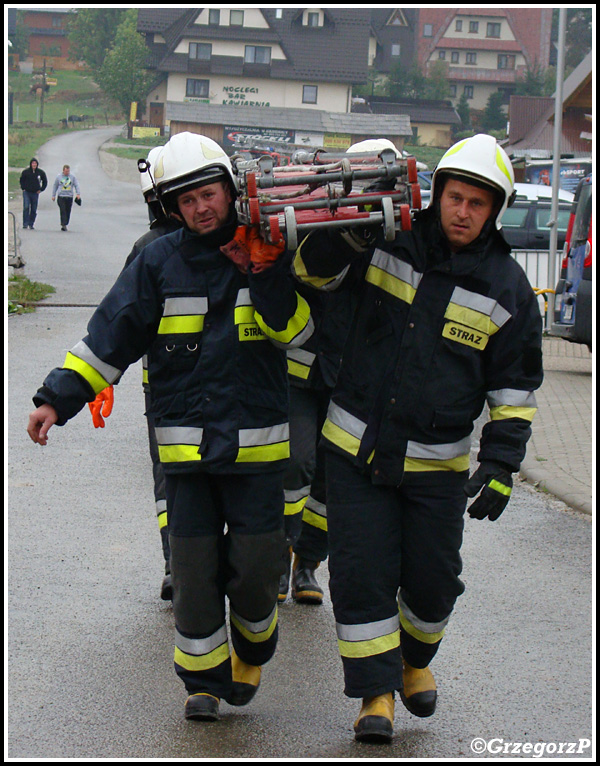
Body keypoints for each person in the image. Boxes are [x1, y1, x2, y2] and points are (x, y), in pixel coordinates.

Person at [27, 132, 314, 723]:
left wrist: (268, 275)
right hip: (186, 459)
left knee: (258, 572)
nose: (200, 208)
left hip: (257, 457)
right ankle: (203, 681)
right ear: (171, 208)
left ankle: (255, 644)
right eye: (186, 201)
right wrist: (57, 397)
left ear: (230, 191)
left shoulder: (268, 254)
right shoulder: (157, 262)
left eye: (208, 194)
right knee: (192, 575)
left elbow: (301, 337)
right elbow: (111, 334)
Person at [290, 134, 543, 743]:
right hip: (355, 453)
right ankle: (375, 696)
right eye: (455, 198)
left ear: (493, 211)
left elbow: (513, 389)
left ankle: (414, 662)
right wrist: (350, 231)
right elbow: (310, 273)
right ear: (437, 196)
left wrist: (503, 464)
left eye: (477, 204)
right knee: (362, 575)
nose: (463, 212)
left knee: (433, 583)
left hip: (437, 470)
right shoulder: (387, 241)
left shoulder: (507, 289)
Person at [279, 139, 395, 605]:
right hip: (302, 373)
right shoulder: (323, 220)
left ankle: (307, 563)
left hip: (355, 380)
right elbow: (312, 273)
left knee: (332, 478)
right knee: (296, 462)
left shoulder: (397, 238)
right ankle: (278, 556)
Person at [88, 146, 182, 601]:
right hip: (173, 385)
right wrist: (101, 377)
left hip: (167, 387)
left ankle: (177, 565)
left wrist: (105, 379)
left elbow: (120, 320)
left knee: (170, 476)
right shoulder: (153, 249)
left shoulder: (148, 248)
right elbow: (123, 322)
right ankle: (180, 565)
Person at [19, 158, 48, 229]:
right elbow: (21, 180)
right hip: (27, 192)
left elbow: (45, 182)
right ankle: (25, 223)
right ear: (31, 164)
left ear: (37, 164)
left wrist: (41, 189)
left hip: (35, 193)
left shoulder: (40, 172)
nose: (34, 165)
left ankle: (31, 223)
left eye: (35, 163)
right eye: (33, 163)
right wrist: (23, 188)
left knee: (33, 209)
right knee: (26, 207)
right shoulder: (25, 172)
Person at [51, 164, 81, 231]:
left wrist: (78, 194)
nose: (67, 173)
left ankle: (66, 222)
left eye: (68, 171)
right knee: (63, 210)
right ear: (63, 171)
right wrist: (53, 195)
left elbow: (76, 185)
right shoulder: (59, 177)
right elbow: (55, 186)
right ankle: (63, 224)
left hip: (69, 197)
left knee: (68, 210)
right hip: (61, 196)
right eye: (66, 171)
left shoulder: (72, 177)